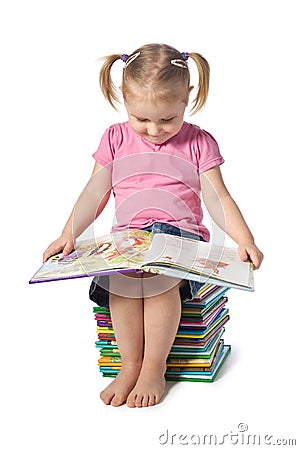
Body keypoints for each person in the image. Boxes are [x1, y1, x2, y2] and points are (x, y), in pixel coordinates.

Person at [43, 43, 263, 408]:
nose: (154, 130)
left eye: (167, 120)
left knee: (160, 281)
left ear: (187, 98)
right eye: (141, 119)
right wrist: (68, 233)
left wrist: (245, 239)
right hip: (129, 237)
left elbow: (218, 197)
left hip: (180, 235)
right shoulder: (115, 138)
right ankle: (129, 364)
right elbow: (94, 193)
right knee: (123, 282)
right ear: (123, 101)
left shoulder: (199, 142)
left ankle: (153, 366)